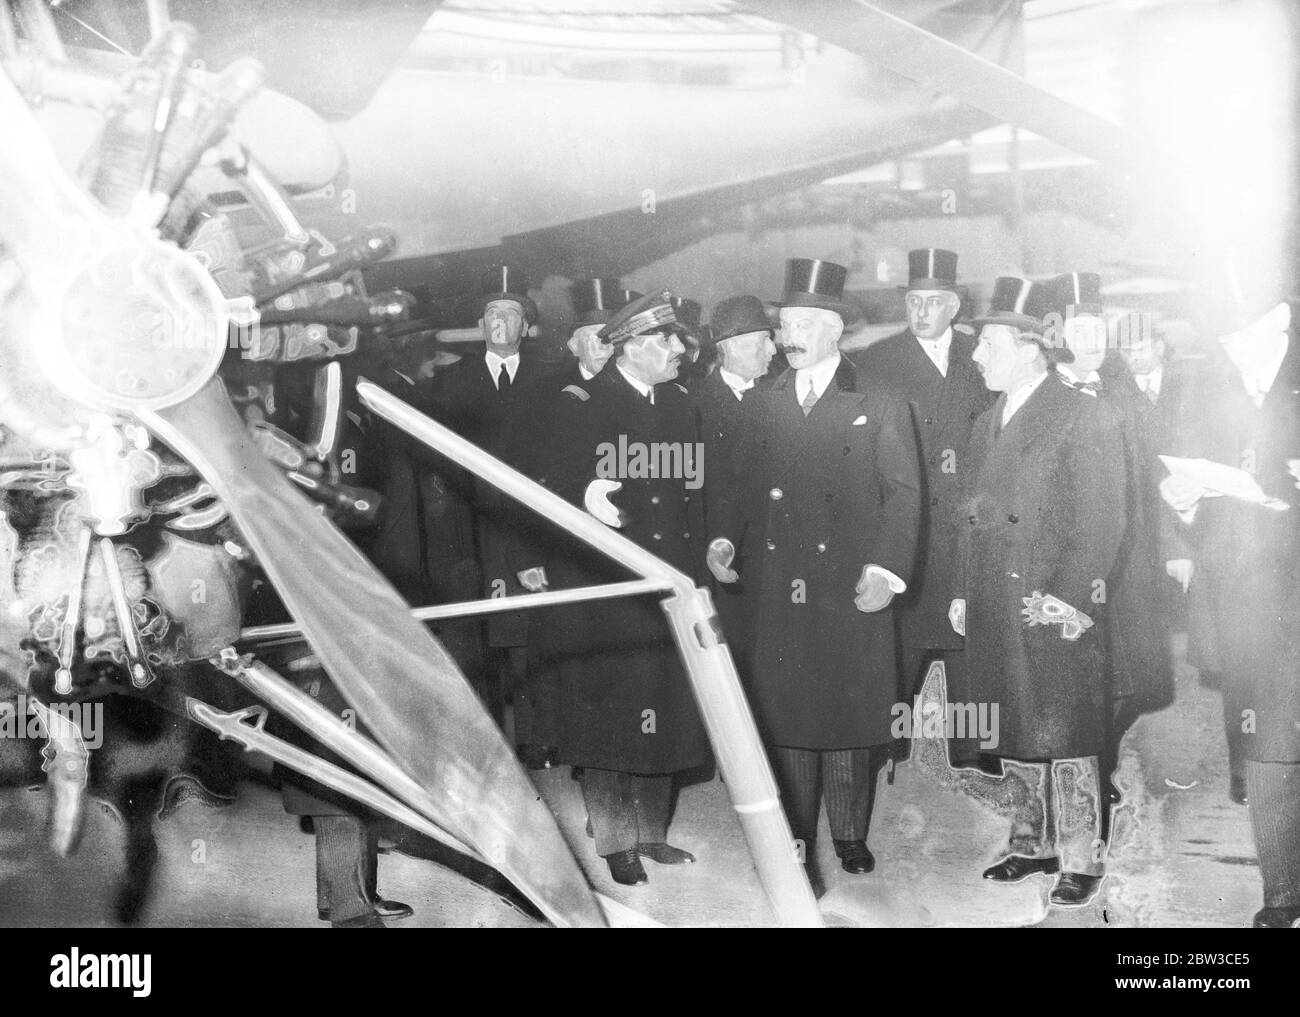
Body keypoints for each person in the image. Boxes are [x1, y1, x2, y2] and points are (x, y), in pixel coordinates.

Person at [706, 258, 921, 896]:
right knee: (788, 709)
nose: (789, 334)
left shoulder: (878, 400)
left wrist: (887, 569)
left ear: (833, 329)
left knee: (850, 707)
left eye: (803, 322)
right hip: (781, 585)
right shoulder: (762, 403)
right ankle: (796, 834)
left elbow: (905, 493)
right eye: (785, 322)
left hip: (852, 582)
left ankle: (850, 833)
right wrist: (723, 538)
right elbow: (736, 488)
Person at [951, 276, 1126, 908]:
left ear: (1029, 347)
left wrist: (1074, 596)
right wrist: (959, 590)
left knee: (1067, 727)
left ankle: (1082, 857)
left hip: (1052, 599)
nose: (975, 356)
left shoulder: (1085, 412)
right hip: (993, 596)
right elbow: (965, 512)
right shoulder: (983, 423)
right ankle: (1031, 842)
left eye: (987, 343)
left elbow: (1106, 517)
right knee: (1013, 718)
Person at [527, 290, 711, 887]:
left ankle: (651, 832)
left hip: (668, 576)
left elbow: (693, 488)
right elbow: (550, 484)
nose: (680, 349)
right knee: (610, 712)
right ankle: (614, 840)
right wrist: (587, 493)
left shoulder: (680, 404)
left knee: (665, 701)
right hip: (608, 583)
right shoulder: (581, 402)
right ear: (630, 346)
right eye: (666, 340)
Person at [1159, 298, 1300, 927]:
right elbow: (1192, 504)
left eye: (1249, 335)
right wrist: (1184, 503)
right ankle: (1284, 893)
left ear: (1282, 324)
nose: (1236, 349)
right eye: (1228, 336)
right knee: (1269, 745)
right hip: (1248, 601)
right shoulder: (1208, 393)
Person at [849, 248, 993, 767]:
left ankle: (975, 748)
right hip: (906, 521)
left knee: (967, 640)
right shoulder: (877, 360)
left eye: (934, 301)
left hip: (967, 520)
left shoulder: (984, 355)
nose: (922, 311)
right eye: (913, 301)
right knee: (899, 641)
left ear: (954, 306)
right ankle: (889, 743)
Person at [1049, 273, 1175, 814]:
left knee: (1131, 678)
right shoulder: (1041, 392)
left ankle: (1099, 758)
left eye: (1098, 327)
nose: (1094, 339)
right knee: (1075, 677)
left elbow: (1153, 474)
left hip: (1128, 561)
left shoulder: (1124, 388)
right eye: (1080, 328)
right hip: (1068, 563)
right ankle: (1085, 774)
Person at [418, 265, 547, 725]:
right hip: (468, 528)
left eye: (511, 314)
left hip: (526, 525)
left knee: (528, 633)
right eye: (492, 312)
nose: (500, 320)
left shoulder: (548, 380)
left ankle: (537, 739)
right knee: (474, 634)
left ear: (526, 328)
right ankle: (487, 737)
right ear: (479, 326)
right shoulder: (448, 384)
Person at [691, 294, 776, 659]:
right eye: (762, 342)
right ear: (730, 348)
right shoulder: (692, 406)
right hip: (720, 564)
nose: (773, 350)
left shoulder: (781, 399)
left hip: (774, 563)